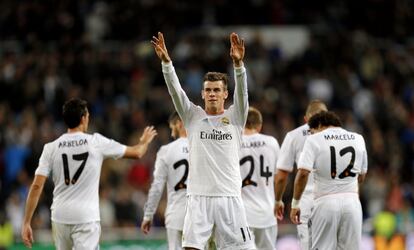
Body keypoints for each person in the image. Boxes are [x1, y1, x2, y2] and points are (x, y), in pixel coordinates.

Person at [151, 32, 255, 250]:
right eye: (208, 90)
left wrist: (238, 66)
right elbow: (175, 92)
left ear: (226, 94)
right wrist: (167, 64)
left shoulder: (236, 117)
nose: (212, 94)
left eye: (217, 90)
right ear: (202, 93)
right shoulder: (192, 116)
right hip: (199, 197)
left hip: (229, 196)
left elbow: (243, 94)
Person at [21, 98, 157, 249]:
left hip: (60, 216)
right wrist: (144, 141)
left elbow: (36, 186)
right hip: (86, 217)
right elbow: (137, 153)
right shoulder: (96, 142)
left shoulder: (50, 148)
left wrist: (27, 222)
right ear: (83, 118)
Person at [290, 111, 368, 249]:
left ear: (319, 125)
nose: (312, 134)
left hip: (325, 203)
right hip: (352, 203)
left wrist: (295, 204)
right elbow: (361, 176)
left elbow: (302, 174)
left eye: (312, 131)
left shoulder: (314, 140)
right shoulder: (358, 138)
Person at [274, 100, 327, 249]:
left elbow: (282, 174)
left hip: (306, 200)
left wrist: (278, 200)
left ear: (305, 119)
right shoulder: (341, 136)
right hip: (331, 198)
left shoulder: (294, 136)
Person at [141, 112, 188, 250]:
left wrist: (148, 215)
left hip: (176, 214)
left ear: (179, 124)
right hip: (199, 215)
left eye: (172, 126)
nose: (172, 131)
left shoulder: (166, 151)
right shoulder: (203, 148)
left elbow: (157, 186)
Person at [239, 107, 280, 249]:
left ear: (242, 124)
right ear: (260, 126)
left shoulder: (233, 143)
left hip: (241, 214)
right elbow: (279, 177)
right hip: (267, 211)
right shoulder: (272, 142)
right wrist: (279, 200)